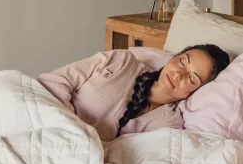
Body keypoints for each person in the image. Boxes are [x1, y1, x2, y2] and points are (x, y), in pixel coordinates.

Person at [38, 44, 229, 142]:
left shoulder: (168, 125)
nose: (179, 74)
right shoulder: (121, 62)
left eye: (192, 78)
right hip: (42, 123)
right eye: (181, 61)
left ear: (197, 92)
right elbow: (54, 83)